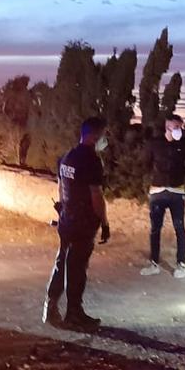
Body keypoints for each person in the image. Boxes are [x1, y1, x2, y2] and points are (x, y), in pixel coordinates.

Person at [45, 117, 111, 328]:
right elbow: (96, 195)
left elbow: (60, 186)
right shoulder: (91, 160)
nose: (105, 139)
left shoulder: (67, 157)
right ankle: (74, 313)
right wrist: (105, 222)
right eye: (104, 135)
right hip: (83, 222)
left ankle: (50, 308)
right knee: (77, 268)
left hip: (66, 220)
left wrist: (64, 208)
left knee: (62, 262)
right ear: (95, 135)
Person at [141, 114, 185, 278]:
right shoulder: (155, 143)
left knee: (179, 228)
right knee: (155, 229)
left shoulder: (184, 143)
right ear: (168, 127)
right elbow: (145, 163)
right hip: (157, 191)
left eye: (181, 127)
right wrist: (156, 175)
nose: (180, 130)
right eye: (177, 127)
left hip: (177, 190)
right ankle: (154, 263)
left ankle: (181, 264)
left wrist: (179, 174)